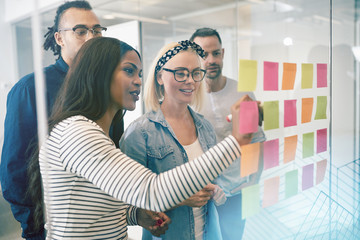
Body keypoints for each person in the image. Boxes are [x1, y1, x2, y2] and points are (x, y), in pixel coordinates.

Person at [31, 36, 252, 239]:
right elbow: (150, 191)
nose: (137, 80)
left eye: (138, 73)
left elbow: (102, 207)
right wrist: (236, 141)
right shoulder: (77, 133)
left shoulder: (94, 133)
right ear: (99, 74)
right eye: (128, 71)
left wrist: (136, 215)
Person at [0, 1, 105, 239]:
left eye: (97, 31)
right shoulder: (31, 88)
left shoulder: (105, 88)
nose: (91, 38)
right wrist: (35, 227)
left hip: (99, 222)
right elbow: (13, 170)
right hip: (50, 227)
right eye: (80, 31)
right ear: (59, 38)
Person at [120, 40, 224, 240]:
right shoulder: (140, 133)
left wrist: (216, 190)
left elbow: (212, 179)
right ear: (160, 76)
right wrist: (179, 198)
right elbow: (127, 203)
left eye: (195, 73)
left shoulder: (205, 128)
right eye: (181, 73)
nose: (190, 81)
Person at [190, 28, 266, 240]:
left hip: (237, 190)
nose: (211, 60)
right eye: (203, 55)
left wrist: (253, 183)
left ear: (223, 53)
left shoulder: (242, 92)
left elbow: (256, 139)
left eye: (215, 53)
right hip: (203, 193)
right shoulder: (189, 97)